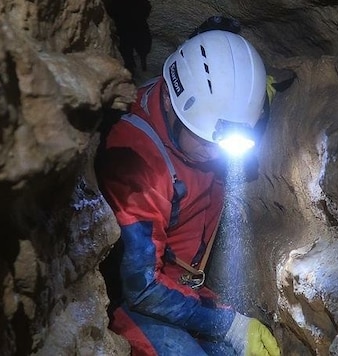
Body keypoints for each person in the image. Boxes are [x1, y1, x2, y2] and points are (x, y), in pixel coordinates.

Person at [95, 28, 280, 356]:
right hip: (136, 300)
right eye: (206, 141)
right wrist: (228, 324)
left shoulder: (201, 113)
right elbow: (141, 287)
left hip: (183, 285)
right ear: (169, 99)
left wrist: (258, 105)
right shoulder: (135, 161)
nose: (216, 154)